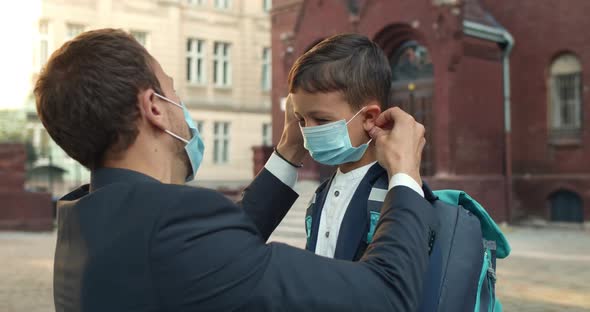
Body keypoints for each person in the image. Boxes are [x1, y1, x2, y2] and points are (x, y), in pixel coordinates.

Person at [37, 29, 436, 312]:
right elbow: (386, 294)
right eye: (172, 89)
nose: (180, 101)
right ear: (154, 107)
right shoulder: (176, 229)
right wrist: (404, 173)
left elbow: (224, 249)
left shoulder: (85, 220)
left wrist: (288, 150)